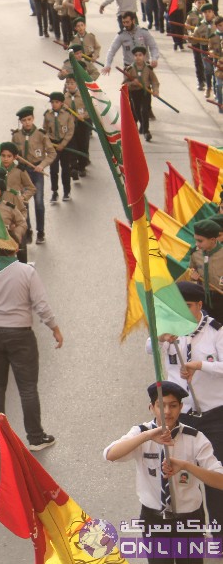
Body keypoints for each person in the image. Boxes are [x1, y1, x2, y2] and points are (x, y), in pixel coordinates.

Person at [104, 381, 223, 562]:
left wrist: (186, 466)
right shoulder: (141, 434)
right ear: (152, 407)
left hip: (189, 520)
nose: (167, 411)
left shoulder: (195, 438)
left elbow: (220, 481)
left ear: (181, 407)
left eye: (173, 406)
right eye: (161, 405)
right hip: (153, 519)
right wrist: (147, 436)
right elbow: (110, 455)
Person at [149, 281, 223, 535]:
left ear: (199, 305)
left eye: (187, 306)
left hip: (214, 417)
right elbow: (150, 349)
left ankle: (219, 530)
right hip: (182, 416)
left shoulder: (216, 331)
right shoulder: (170, 329)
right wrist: (160, 338)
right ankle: (190, 530)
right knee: (183, 476)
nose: (181, 311)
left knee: (213, 476)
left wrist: (200, 365)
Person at [0, 246, 62, 451]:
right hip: (20, 334)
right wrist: (54, 328)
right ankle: (36, 437)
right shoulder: (27, 272)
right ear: (16, 248)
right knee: (28, 388)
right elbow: (41, 305)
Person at [11, 107, 55, 245]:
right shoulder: (16, 136)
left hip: (36, 172)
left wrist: (42, 165)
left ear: (33, 119)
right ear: (20, 122)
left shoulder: (41, 134)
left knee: (39, 202)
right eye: (24, 121)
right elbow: (12, 154)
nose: (27, 123)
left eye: (29, 119)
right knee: (24, 203)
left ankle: (40, 232)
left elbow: (51, 153)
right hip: (24, 173)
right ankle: (27, 229)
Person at [43, 91, 76, 203]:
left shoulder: (67, 114)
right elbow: (45, 131)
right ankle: (54, 192)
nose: (54, 104)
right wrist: (49, 144)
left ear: (62, 103)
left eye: (56, 102)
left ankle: (67, 191)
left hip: (64, 145)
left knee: (65, 169)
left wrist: (63, 143)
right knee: (53, 170)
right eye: (52, 102)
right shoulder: (47, 114)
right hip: (53, 145)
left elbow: (70, 130)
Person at [123, 45, 160, 142]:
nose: (138, 57)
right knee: (137, 111)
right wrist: (132, 83)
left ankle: (146, 131)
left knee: (144, 110)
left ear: (144, 56)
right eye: (136, 55)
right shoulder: (129, 69)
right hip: (134, 92)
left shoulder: (148, 68)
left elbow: (154, 81)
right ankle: (143, 125)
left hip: (145, 92)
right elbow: (124, 83)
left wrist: (155, 90)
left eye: (140, 55)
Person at [190, 219, 223, 321]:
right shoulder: (195, 253)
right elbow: (191, 269)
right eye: (196, 240)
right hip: (203, 296)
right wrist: (192, 276)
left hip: (220, 297)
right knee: (206, 326)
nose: (197, 244)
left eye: (200, 241)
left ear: (213, 240)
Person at [63, 75, 92, 178]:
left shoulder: (83, 95)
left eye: (72, 83)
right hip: (70, 125)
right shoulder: (64, 98)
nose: (70, 86)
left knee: (83, 145)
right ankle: (74, 167)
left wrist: (84, 115)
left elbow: (91, 109)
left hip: (83, 124)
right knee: (72, 145)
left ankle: (82, 166)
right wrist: (64, 109)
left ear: (76, 84)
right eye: (68, 83)